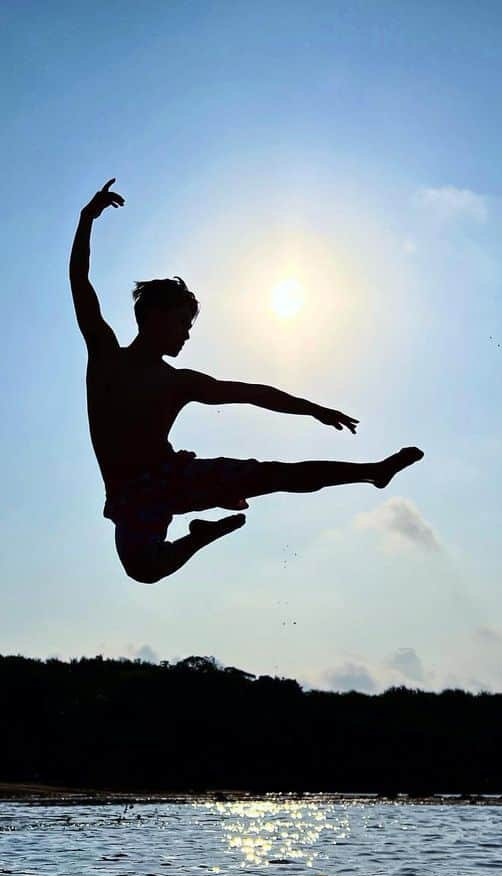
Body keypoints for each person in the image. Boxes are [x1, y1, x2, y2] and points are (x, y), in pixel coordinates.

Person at [70, 178, 423, 584]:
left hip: (173, 480)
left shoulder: (179, 382)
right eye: (182, 324)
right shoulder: (107, 357)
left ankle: (372, 471)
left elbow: (251, 394)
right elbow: (81, 283)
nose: (187, 334)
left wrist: (313, 409)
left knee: (275, 476)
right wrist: (87, 219)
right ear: (153, 317)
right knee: (144, 569)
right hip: (133, 496)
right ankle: (203, 535)